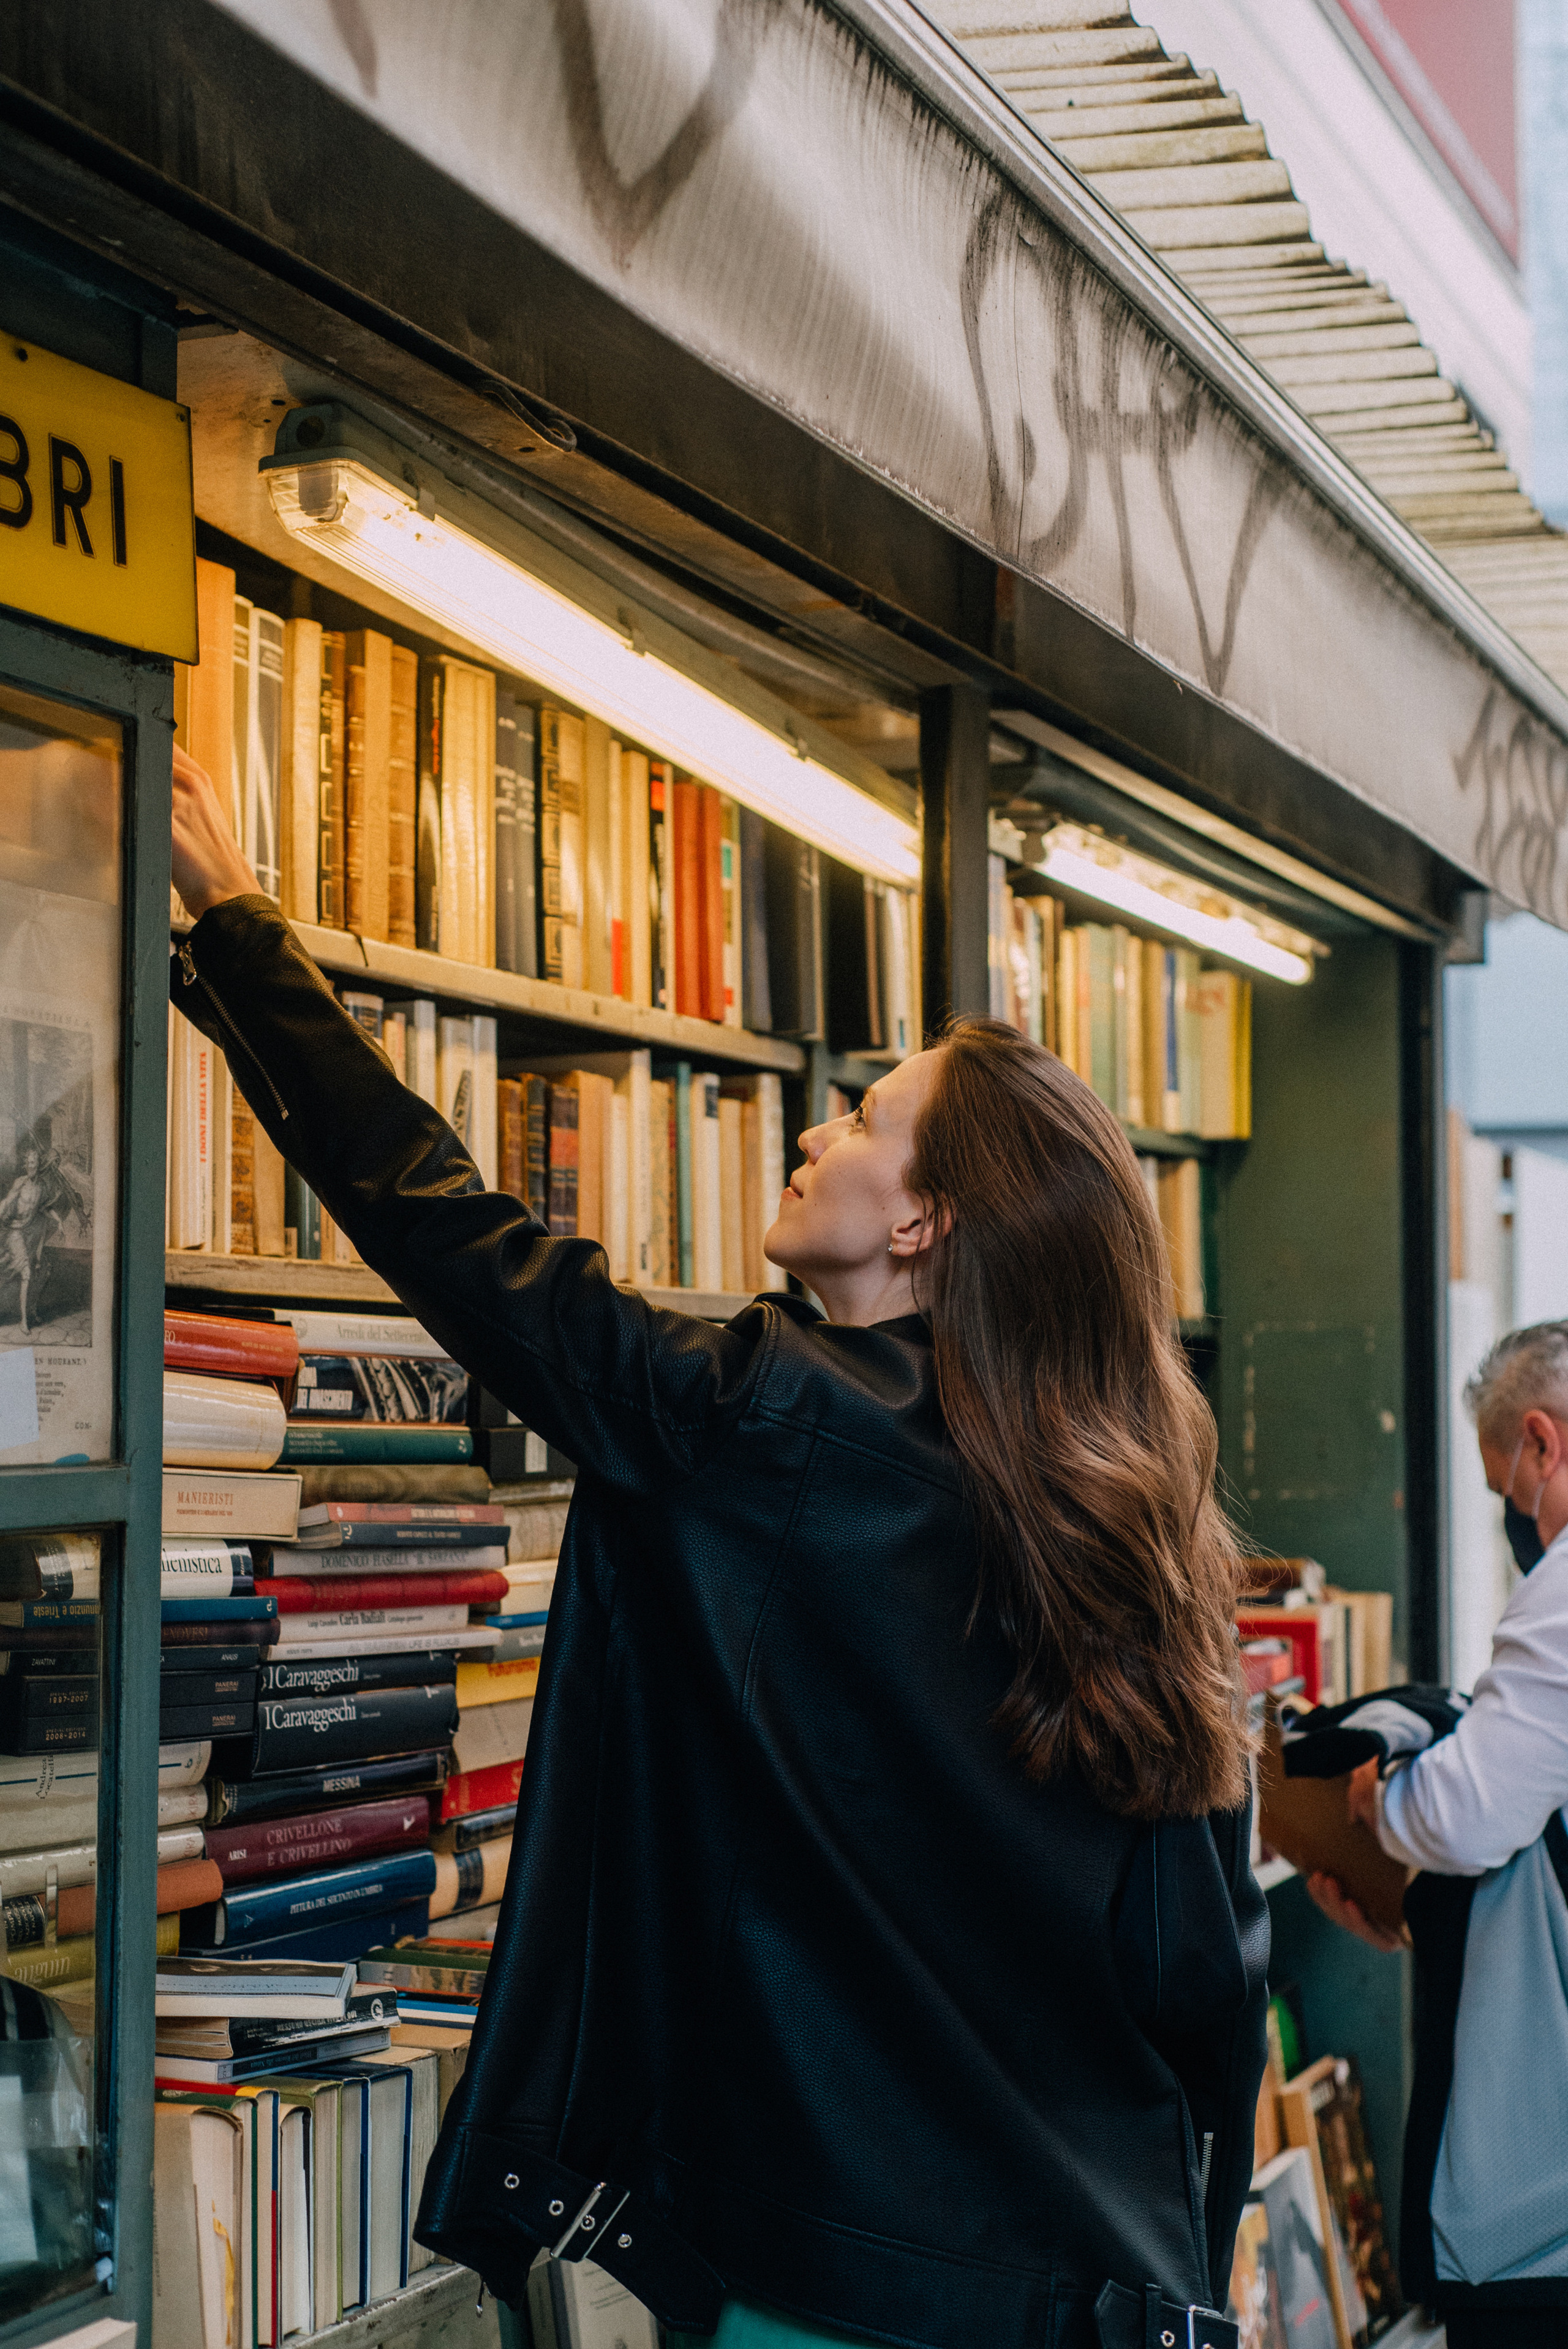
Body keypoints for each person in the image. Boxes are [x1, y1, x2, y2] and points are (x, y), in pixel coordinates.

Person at [169, 744, 1267, 2349]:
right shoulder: (1120, 1512)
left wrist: (244, 930)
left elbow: (461, 1239)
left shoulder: (768, 1423)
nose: (818, 1130)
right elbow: (1201, 1992)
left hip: (832, 2281)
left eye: (866, 1119)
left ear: (922, 1223)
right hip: (1074, 2288)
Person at [1307, 1321, 1568, 2349]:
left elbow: (1462, 1813)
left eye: (1509, 1491)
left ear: (1541, 1444)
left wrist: (1382, 1807)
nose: (1515, 1519)